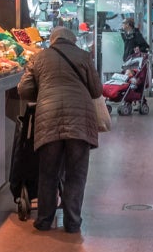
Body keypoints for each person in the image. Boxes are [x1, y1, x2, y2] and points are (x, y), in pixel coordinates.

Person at [16, 26, 102, 233]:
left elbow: (24, 89)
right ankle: (72, 222)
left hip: (49, 117)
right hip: (80, 118)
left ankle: (44, 220)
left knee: (48, 172)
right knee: (76, 173)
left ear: (53, 40)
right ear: (72, 40)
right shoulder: (83, 56)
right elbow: (96, 90)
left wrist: (44, 91)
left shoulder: (39, 57)